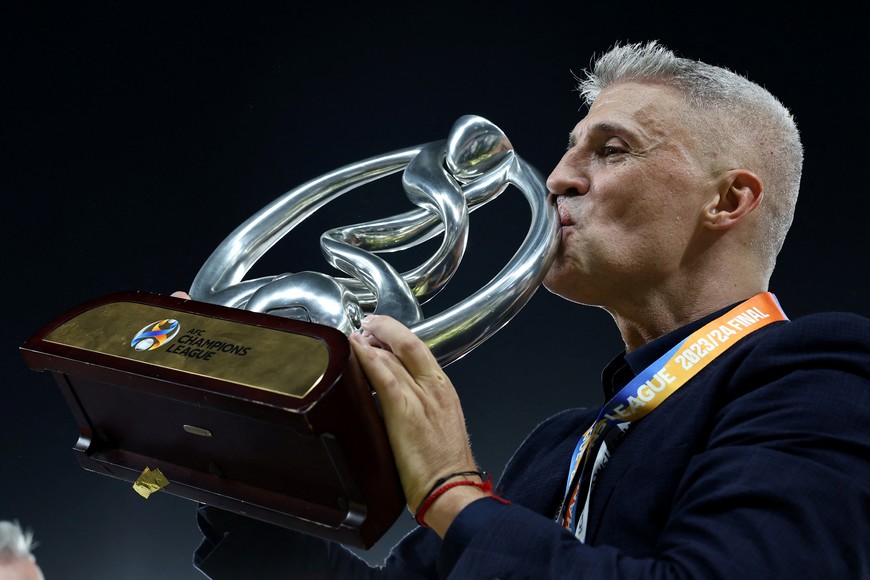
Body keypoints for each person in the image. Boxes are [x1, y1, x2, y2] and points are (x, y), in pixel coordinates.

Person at [189, 41, 870, 578]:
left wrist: (451, 492)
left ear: (727, 201)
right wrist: (220, 456)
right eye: (569, 151)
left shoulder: (822, 374)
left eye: (611, 149)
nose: (557, 179)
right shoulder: (558, 448)